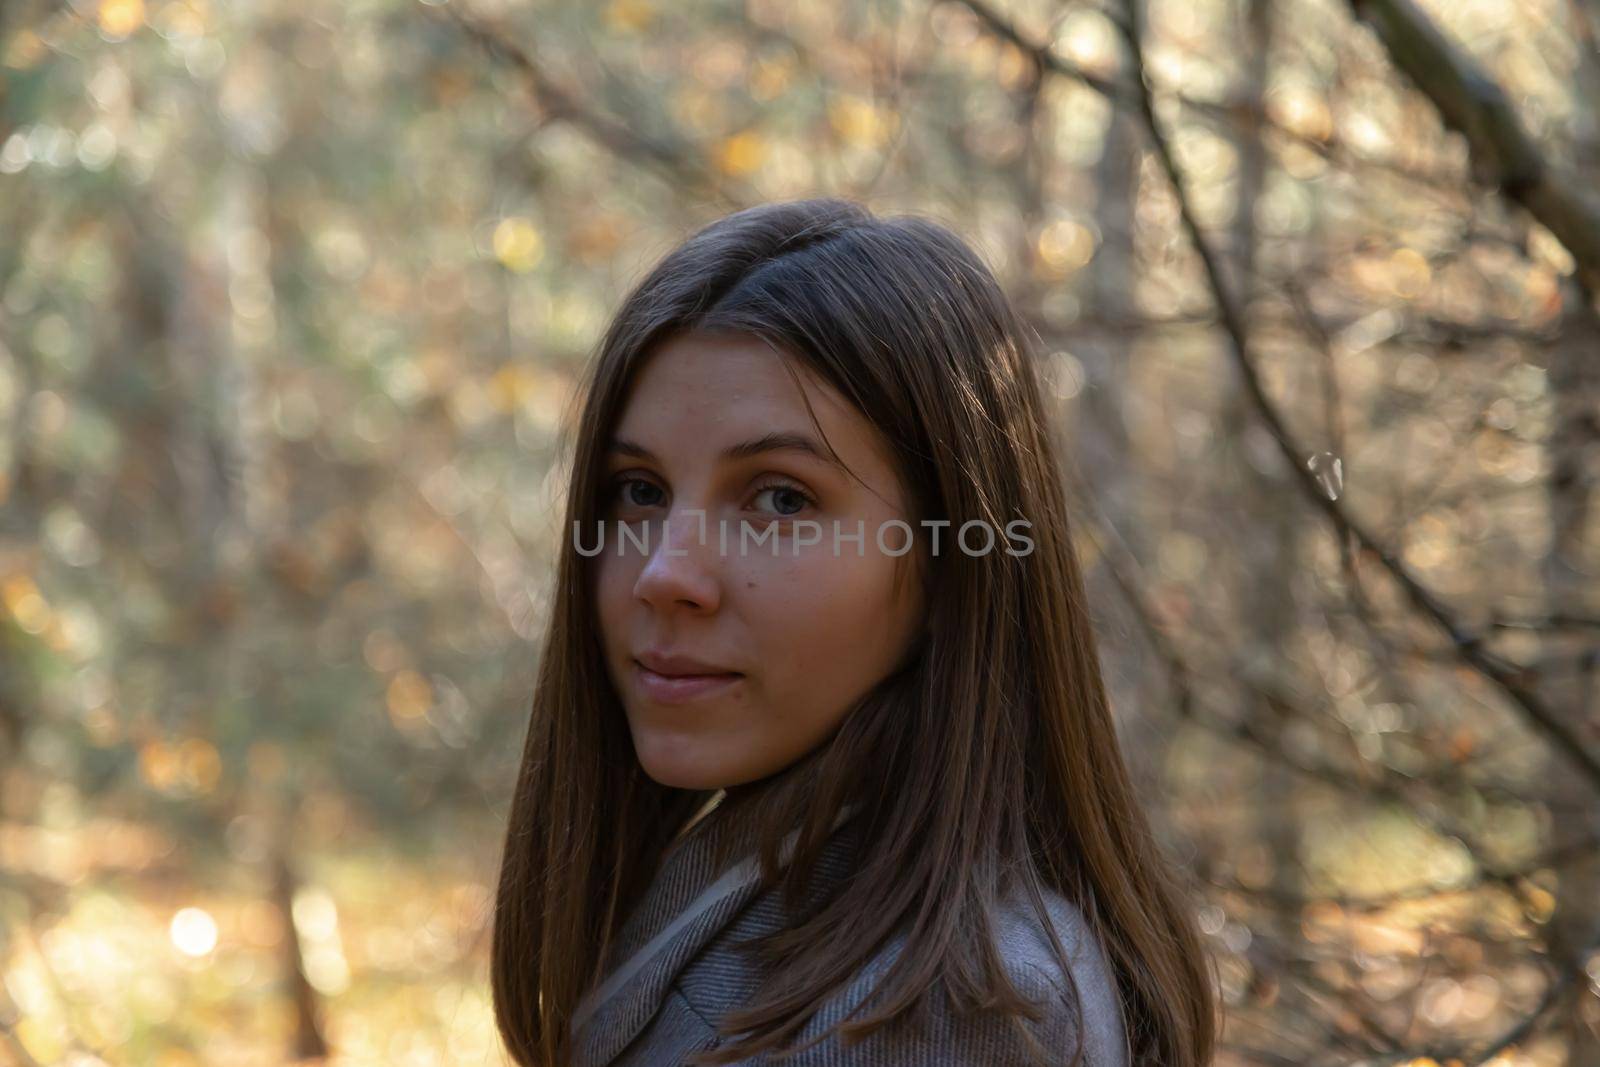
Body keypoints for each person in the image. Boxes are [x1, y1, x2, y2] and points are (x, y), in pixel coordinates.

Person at [490, 198, 1217, 1066]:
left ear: (955, 561)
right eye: (640, 491)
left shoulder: (949, 1011)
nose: (664, 574)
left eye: (781, 498)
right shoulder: (769, 902)